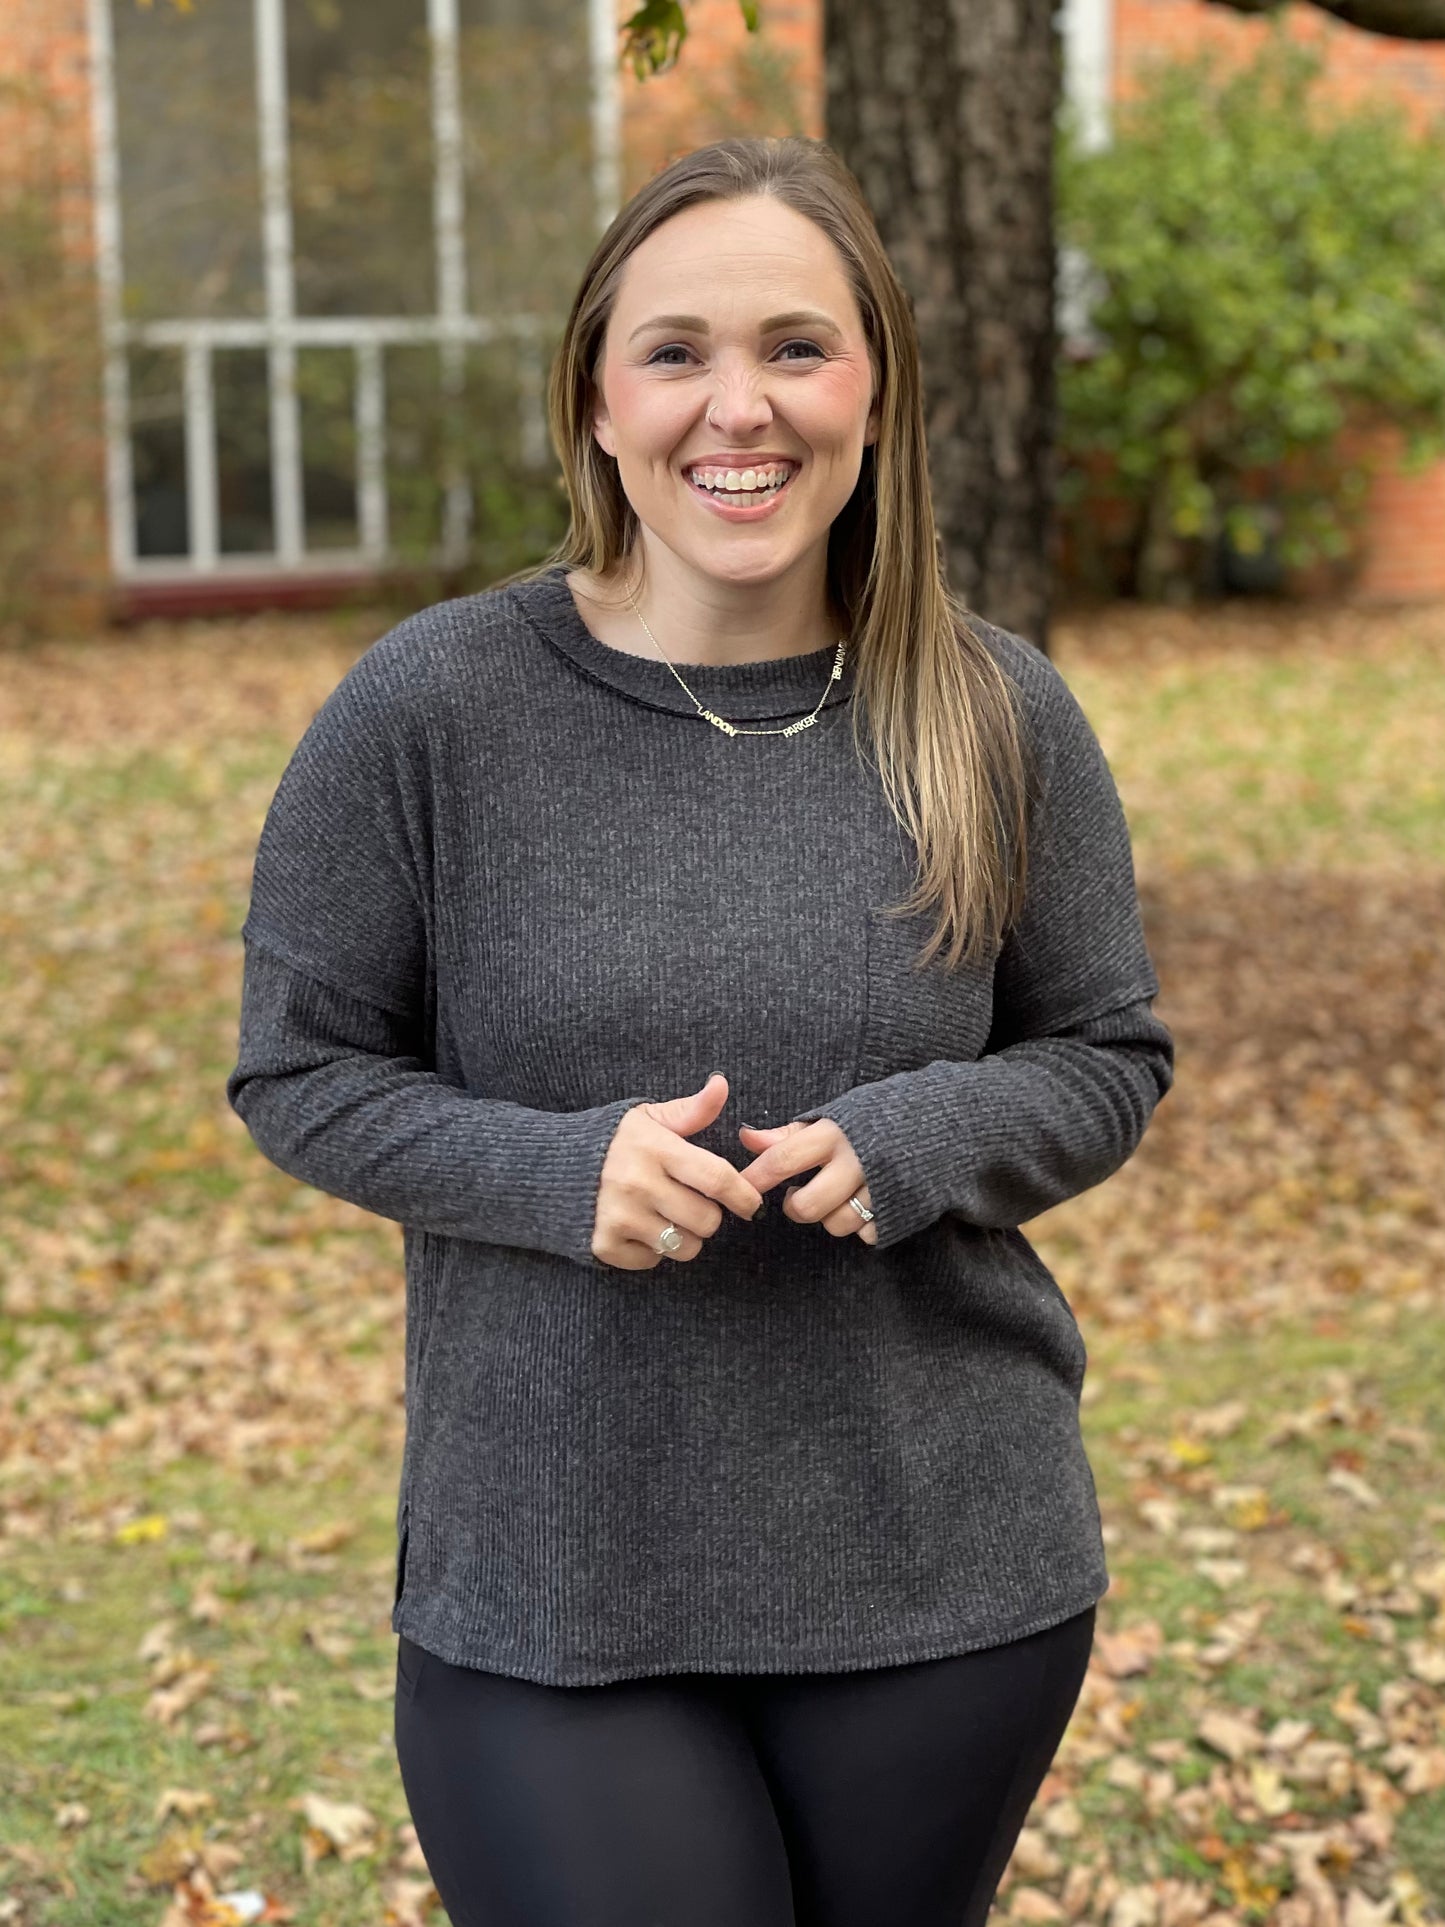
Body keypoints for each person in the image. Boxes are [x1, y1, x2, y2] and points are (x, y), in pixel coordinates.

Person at [228, 134, 1174, 1927]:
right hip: (556, 1576)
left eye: (795, 348)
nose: (737, 409)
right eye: (674, 352)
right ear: (594, 399)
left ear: (874, 390)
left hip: (940, 1571)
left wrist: (917, 1143)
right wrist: (549, 1169)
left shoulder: (992, 712)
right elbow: (299, 1068)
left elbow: (1106, 1051)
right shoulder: (435, 709)